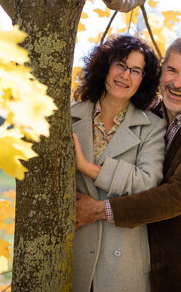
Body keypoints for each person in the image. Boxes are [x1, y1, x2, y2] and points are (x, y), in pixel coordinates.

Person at [77, 36, 181, 292]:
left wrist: (96, 210)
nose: (177, 83)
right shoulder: (151, 115)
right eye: (172, 70)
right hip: (148, 268)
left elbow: (173, 197)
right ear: (161, 72)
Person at [71, 35, 166, 292]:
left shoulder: (153, 128)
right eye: (120, 65)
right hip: (74, 253)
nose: (125, 75)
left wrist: (85, 166)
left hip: (123, 263)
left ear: (143, 79)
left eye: (135, 70)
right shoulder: (68, 116)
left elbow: (147, 183)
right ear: (105, 66)